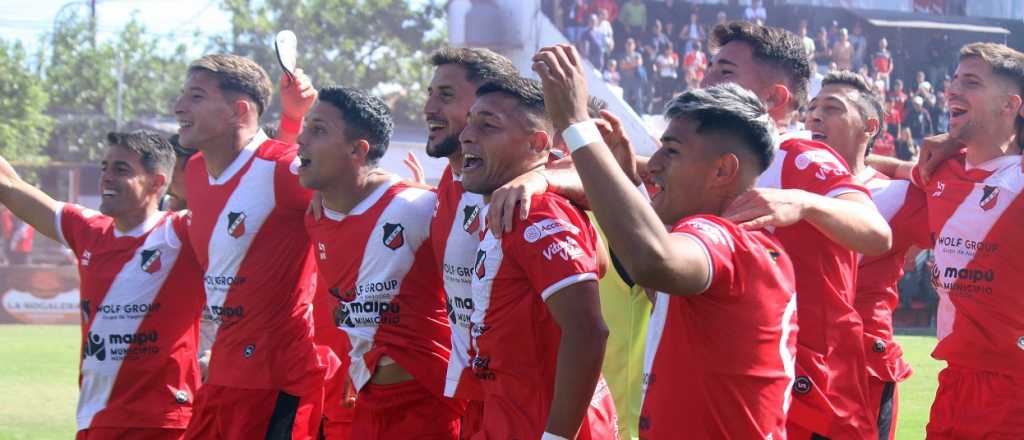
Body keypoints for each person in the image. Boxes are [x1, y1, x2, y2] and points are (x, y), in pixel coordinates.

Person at [537, 42, 801, 438]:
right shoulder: (748, 248)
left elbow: (652, 262)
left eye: (671, 151)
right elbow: (656, 281)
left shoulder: (725, 239)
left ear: (722, 171)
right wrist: (626, 183)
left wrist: (577, 125)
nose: (655, 164)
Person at [702, 21, 891, 439]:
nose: (707, 78)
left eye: (725, 71)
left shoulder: (798, 156)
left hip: (812, 393)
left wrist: (803, 202)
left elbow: (876, 232)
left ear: (774, 97)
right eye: (710, 67)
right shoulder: (707, 166)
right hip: (737, 377)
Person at [0, 131, 205, 439]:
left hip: (165, 420)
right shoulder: (88, 229)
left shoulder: (182, 231)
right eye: (104, 168)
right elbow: (10, 186)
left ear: (157, 183)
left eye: (122, 170)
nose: (107, 177)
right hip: (96, 419)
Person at [875, 42, 1024, 439]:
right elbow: (884, 168)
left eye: (971, 82)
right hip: (954, 386)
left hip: (1015, 389)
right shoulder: (940, 171)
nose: (953, 90)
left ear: (1010, 105)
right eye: (954, 80)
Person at [174, 54, 326, 439]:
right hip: (221, 375)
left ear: (238, 111)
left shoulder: (287, 166)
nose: (179, 107)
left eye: (195, 97)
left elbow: (357, 198)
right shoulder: (195, 170)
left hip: (278, 382)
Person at [297, 85, 462, 438]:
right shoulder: (316, 215)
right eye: (304, 127)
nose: (301, 139)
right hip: (364, 405)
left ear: (357, 150)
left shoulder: (419, 206)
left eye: (318, 130)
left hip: (429, 404)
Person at [459, 75, 617, 439]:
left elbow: (588, 331)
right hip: (508, 415)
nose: (467, 135)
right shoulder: (508, 201)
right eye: (469, 121)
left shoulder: (535, 211)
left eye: (488, 125)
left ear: (537, 143)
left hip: (543, 425)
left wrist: (557, 436)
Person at [806, 71, 928, 439]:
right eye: (812, 108)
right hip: (789, 355)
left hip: (861, 369)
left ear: (870, 126)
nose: (815, 116)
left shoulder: (903, 195)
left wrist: (910, 169)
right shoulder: (781, 178)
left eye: (832, 108)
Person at [619, 38, 645, 114]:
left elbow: (639, 63)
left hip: (636, 79)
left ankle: (639, 114)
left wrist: (628, 64)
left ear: (634, 46)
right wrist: (633, 64)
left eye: (631, 44)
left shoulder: (637, 55)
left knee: (638, 98)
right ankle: (624, 113)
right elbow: (622, 66)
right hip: (626, 80)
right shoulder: (623, 55)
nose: (629, 46)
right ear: (625, 46)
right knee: (625, 98)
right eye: (628, 44)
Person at [654, 42, 680, 109]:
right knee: (664, 94)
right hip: (664, 77)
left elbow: (675, 66)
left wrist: (666, 65)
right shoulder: (660, 57)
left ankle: (671, 108)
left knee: (672, 94)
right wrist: (669, 65)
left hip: (672, 77)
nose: (669, 51)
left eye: (670, 49)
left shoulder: (674, 56)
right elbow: (659, 66)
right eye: (667, 50)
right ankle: (663, 108)